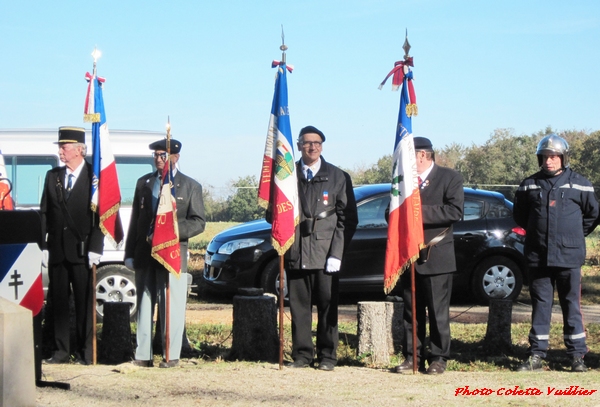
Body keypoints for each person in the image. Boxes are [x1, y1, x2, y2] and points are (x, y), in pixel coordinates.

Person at [513, 134, 598, 372]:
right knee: (540, 305)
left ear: (563, 158)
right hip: (538, 257)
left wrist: (571, 236)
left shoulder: (580, 183)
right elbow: (520, 216)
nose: (549, 161)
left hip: (569, 257)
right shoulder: (529, 184)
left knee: (571, 305)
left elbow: (592, 215)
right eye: (545, 157)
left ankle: (577, 356)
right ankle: (536, 355)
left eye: (553, 157)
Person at [125, 138, 205, 368]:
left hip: (172, 254)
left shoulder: (190, 186)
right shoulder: (145, 183)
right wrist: (129, 253)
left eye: (163, 155)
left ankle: (171, 354)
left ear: (175, 157)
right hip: (144, 253)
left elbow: (199, 222)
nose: (158, 160)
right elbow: (135, 221)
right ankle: (143, 354)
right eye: (156, 155)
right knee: (144, 304)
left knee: (172, 305)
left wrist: (173, 232)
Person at [284, 125, 358, 372]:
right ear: (298, 146)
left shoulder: (338, 176)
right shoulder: (286, 176)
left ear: (322, 146)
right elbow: (274, 215)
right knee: (299, 307)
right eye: (307, 143)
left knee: (327, 307)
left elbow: (347, 220)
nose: (312, 147)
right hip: (296, 250)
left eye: (317, 142)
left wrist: (337, 253)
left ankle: (328, 356)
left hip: (326, 254)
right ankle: (302, 355)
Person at [395, 136, 464, 375]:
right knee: (411, 312)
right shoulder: (402, 180)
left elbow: (455, 211)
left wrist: (415, 213)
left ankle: (438, 358)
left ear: (422, 155)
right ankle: (412, 356)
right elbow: (390, 211)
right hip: (408, 256)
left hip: (436, 255)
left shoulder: (449, 178)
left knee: (437, 312)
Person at [40, 126, 104, 365]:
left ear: (79, 150)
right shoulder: (52, 176)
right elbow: (45, 212)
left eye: (64, 147)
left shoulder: (94, 178)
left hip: (83, 251)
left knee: (85, 304)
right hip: (57, 250)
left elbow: (101, 216)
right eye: (60, 147)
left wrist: (96, 246)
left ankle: (86, 352)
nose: (60, 152)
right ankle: (60, 351)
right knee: (58, 304)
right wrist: (43, 246)